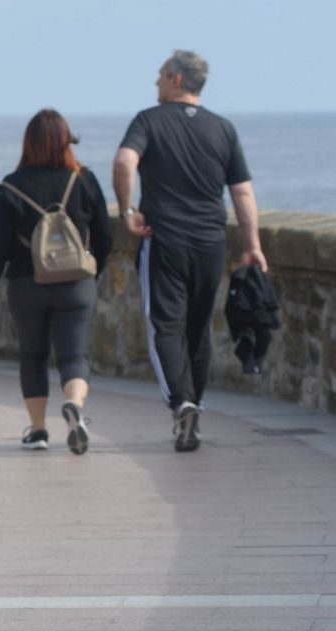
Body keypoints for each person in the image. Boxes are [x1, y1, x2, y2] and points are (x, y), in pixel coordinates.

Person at [114, 49, 267, 452]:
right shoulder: (224, 129)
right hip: (211, 243)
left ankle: (181, 402)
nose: (156, 82)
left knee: (165, 325)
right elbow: (243, 191)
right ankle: (194, 408)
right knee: (198, 330)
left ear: (177, 79)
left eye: (161, 75)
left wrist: (128, 210)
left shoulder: (148, 120)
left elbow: (124, 161)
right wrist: (252, 245)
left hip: (164, 239)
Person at [0, 109, 113, 454]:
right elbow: (106, 236)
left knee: (33, 355)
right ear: (66, 140)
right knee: (74, 354)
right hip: (76, 284)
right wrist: (93, 270)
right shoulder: (83, 180)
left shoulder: (10, 188)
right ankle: (75, 406)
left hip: (27, 284)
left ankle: (37, 432)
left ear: (28, 143)